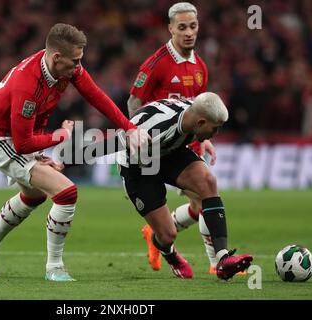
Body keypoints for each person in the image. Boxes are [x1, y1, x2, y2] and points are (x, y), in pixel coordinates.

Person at [0, 23, 150, 281]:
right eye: (75, 61)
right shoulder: (26, 85)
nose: (79, 66)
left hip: (21, 136)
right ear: (57, 57)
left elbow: (96, 96)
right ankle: (54, 267)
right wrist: (60, 136)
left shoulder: (65, 69)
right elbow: (21, 145)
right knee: (66, 192)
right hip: (1, 140)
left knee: (33, 196)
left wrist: (129, 128)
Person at [118, 92, 253, 280]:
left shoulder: (194, 115)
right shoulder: (158, 128)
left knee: (208, 182)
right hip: (139, 167)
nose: (216, 134)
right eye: (215, 129)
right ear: (200, 123)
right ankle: (170, 254)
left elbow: (201, 117)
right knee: (166, 236)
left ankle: (223, 258)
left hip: (170, 153)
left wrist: (204, 140)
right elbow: (104, 146)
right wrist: (66, 160)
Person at [127, 2, 219, 276]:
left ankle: (156, 233)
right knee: (205, 201)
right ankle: (216, 262)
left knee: (200, 202)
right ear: (170, 29)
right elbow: (134, 103)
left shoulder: (200, 66)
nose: (188, 32)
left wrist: (204, 139)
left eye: (192, 26)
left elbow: (199, 110)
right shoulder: (156, 64)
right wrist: (140, 135)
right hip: (160, 148)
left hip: (187, 146)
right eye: (182, 27)